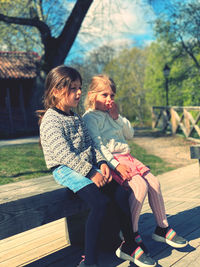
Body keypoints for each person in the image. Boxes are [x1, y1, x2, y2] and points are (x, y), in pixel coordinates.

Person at [37, 66, 156, 267]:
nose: (79, 92)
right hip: (66, 169)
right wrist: (91, 172)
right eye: (73, 88)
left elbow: (91, 144)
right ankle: (89, 260)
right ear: (57, 91)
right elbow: (63, 155)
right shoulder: (51, 119)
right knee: (100, 203)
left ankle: (129, 244)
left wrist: (101, 162)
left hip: (87, 166)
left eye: (79, 87)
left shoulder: (75, 116)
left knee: (120, 193)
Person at [83, 74, 188, 257]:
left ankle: (162, 228)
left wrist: (117, 118)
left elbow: (129, 134)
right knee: (139, 187)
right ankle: (130, 234)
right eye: (104, 95)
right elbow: (98, 145)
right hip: (113, 161)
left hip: (129, 157)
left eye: (112, 96)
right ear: (92, 95)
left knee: (154, 183)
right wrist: (115, 165)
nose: (109, 100)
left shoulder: (112, 114)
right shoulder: (90, 117)